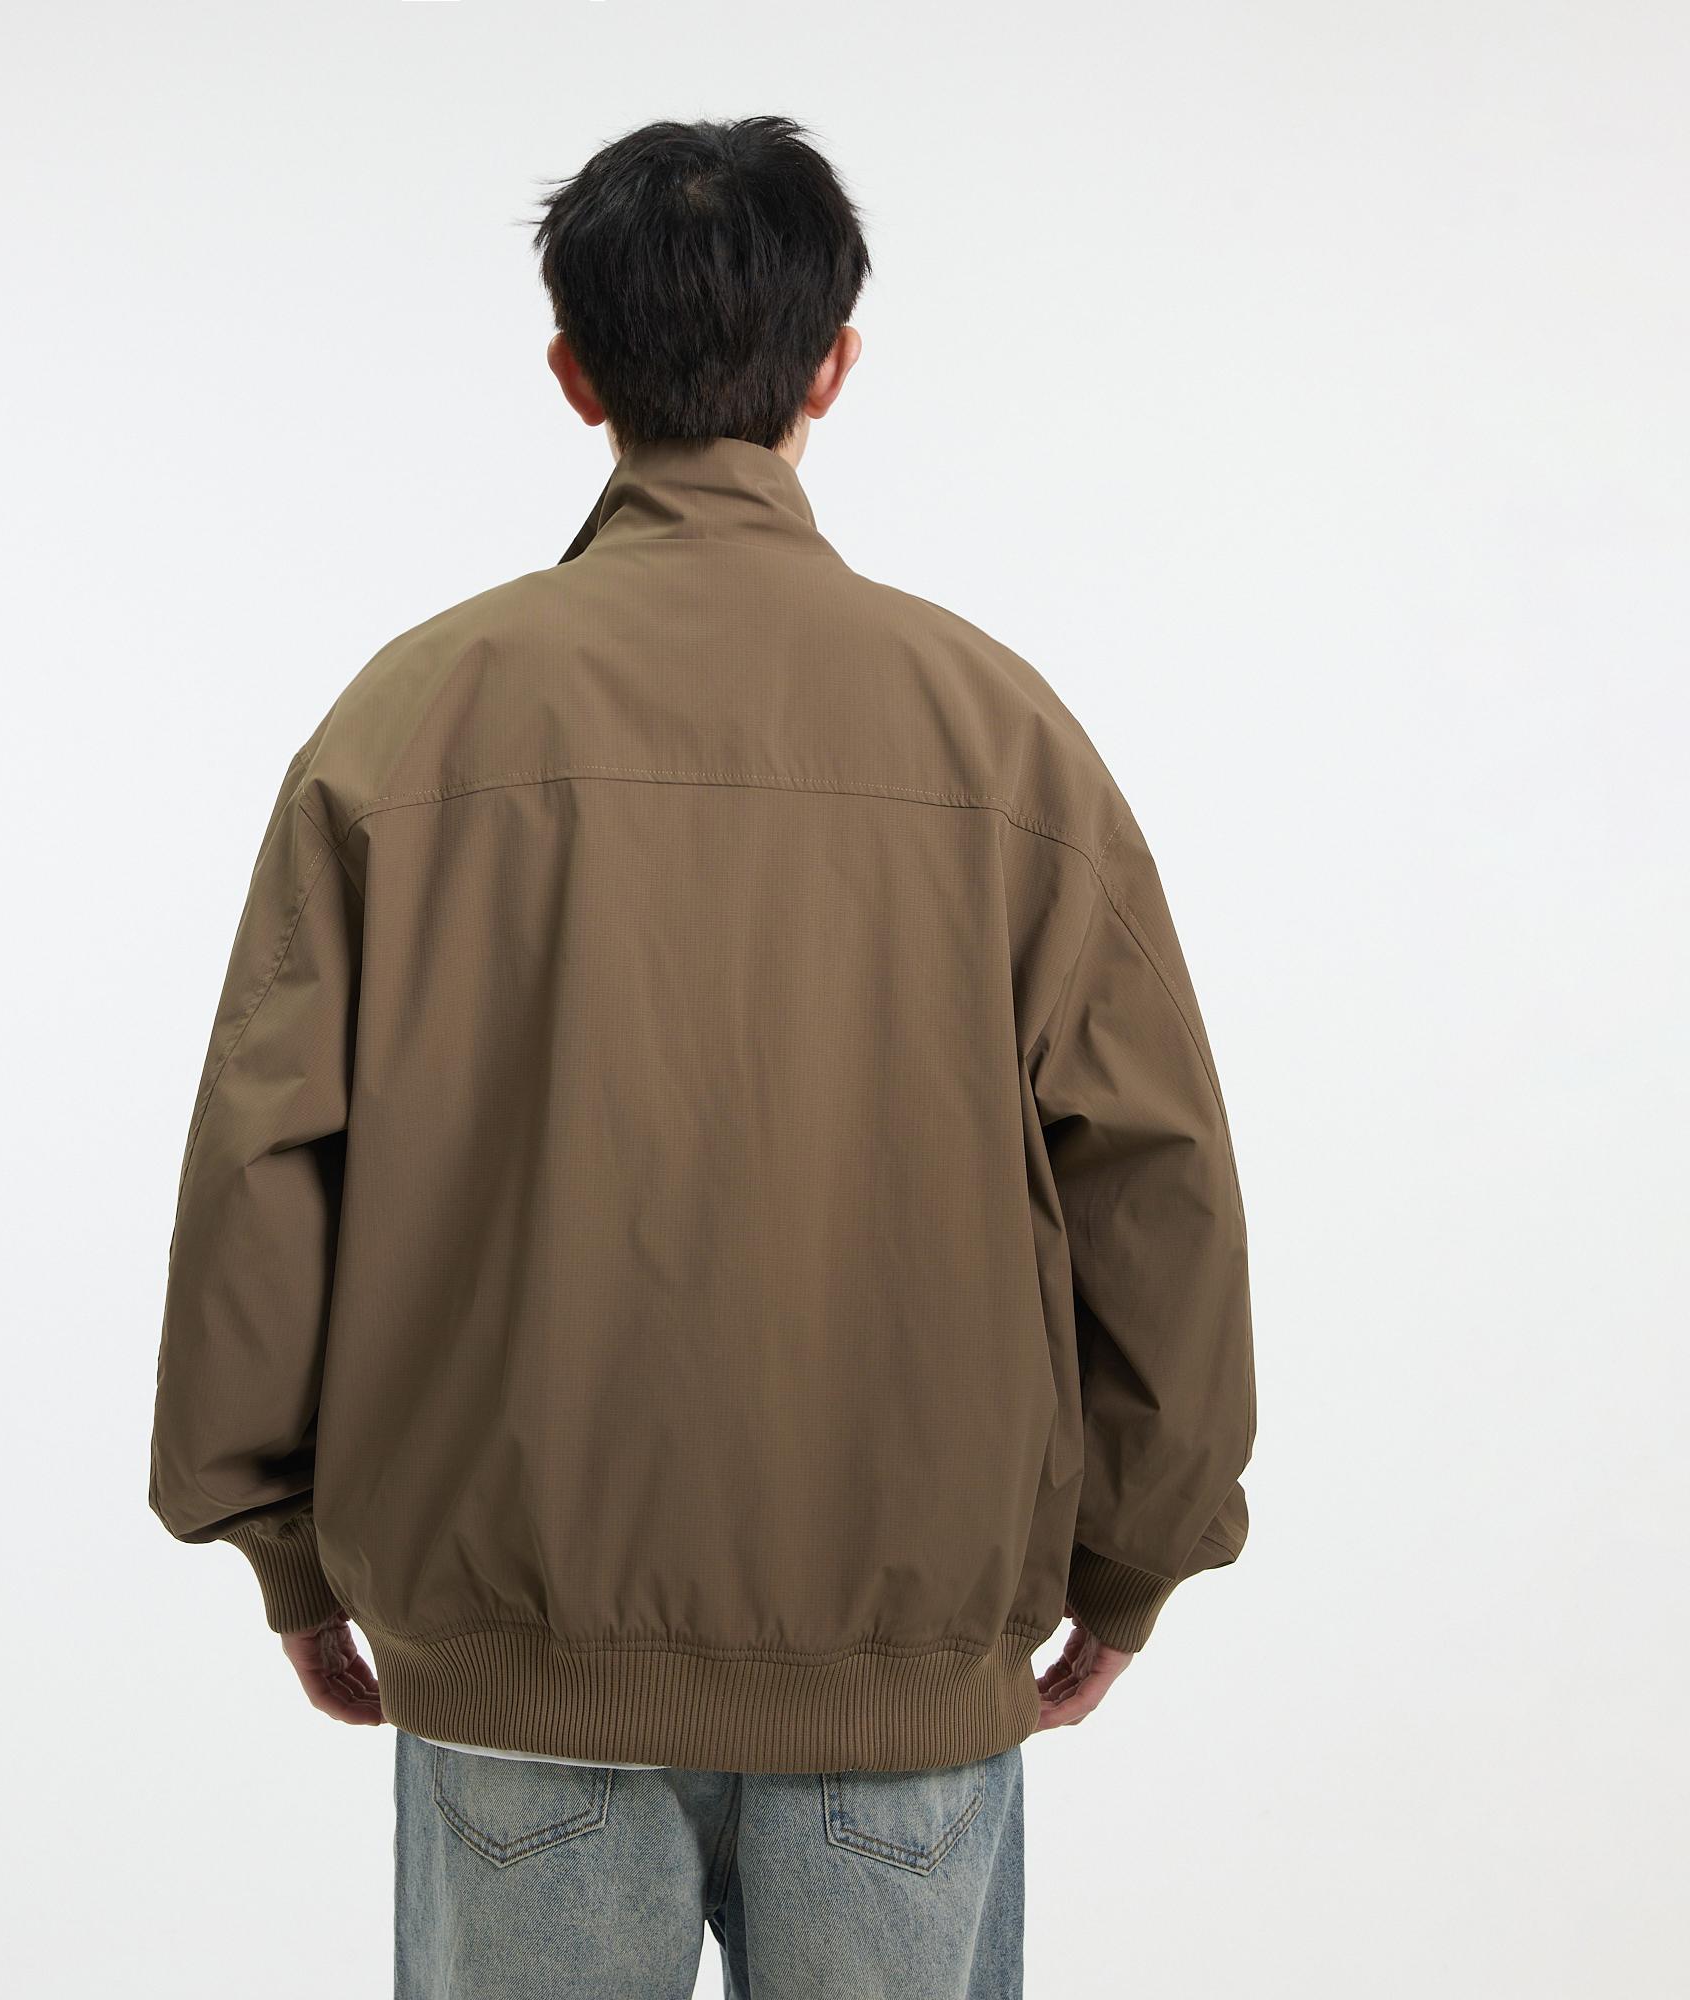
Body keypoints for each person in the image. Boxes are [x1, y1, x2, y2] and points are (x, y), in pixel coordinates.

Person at [149, 114, 1256, 1999]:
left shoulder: (413, 721)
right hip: (902, 1657)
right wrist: (1140, 1549)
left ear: (575, 373)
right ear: (835, 366)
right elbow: (1155, 1175)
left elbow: (266, 1153)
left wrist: (281, 1539)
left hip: (517, 1649)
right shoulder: (1000, 736)